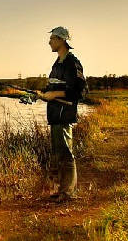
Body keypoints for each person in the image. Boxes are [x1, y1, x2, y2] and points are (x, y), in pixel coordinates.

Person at [38, 26, 86, 203]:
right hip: (55, 115)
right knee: (57, 153)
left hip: (64, 115)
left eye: (52, 39)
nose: (49, 42)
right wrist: (43, 95)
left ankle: (69, 193)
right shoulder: (57, 63)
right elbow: (53, 88)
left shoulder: (72, 63)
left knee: (66, 153)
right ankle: (59, 190)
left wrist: (55, 95)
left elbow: (79, 91)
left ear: (61, 40)